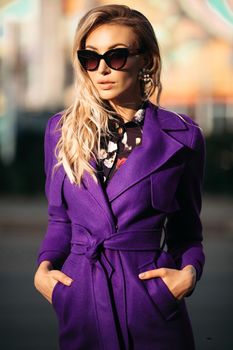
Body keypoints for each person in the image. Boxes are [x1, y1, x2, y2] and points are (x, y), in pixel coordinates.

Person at [33, 4, 206, 350]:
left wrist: (188, 273)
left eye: (117, 56)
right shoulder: (61, 131)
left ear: (147, 60)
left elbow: (186, 230)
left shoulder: (183, 136)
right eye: (91, 58)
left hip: (150, 305)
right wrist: (44, 271)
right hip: (82, 301)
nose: (102, 69)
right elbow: (59, 220)